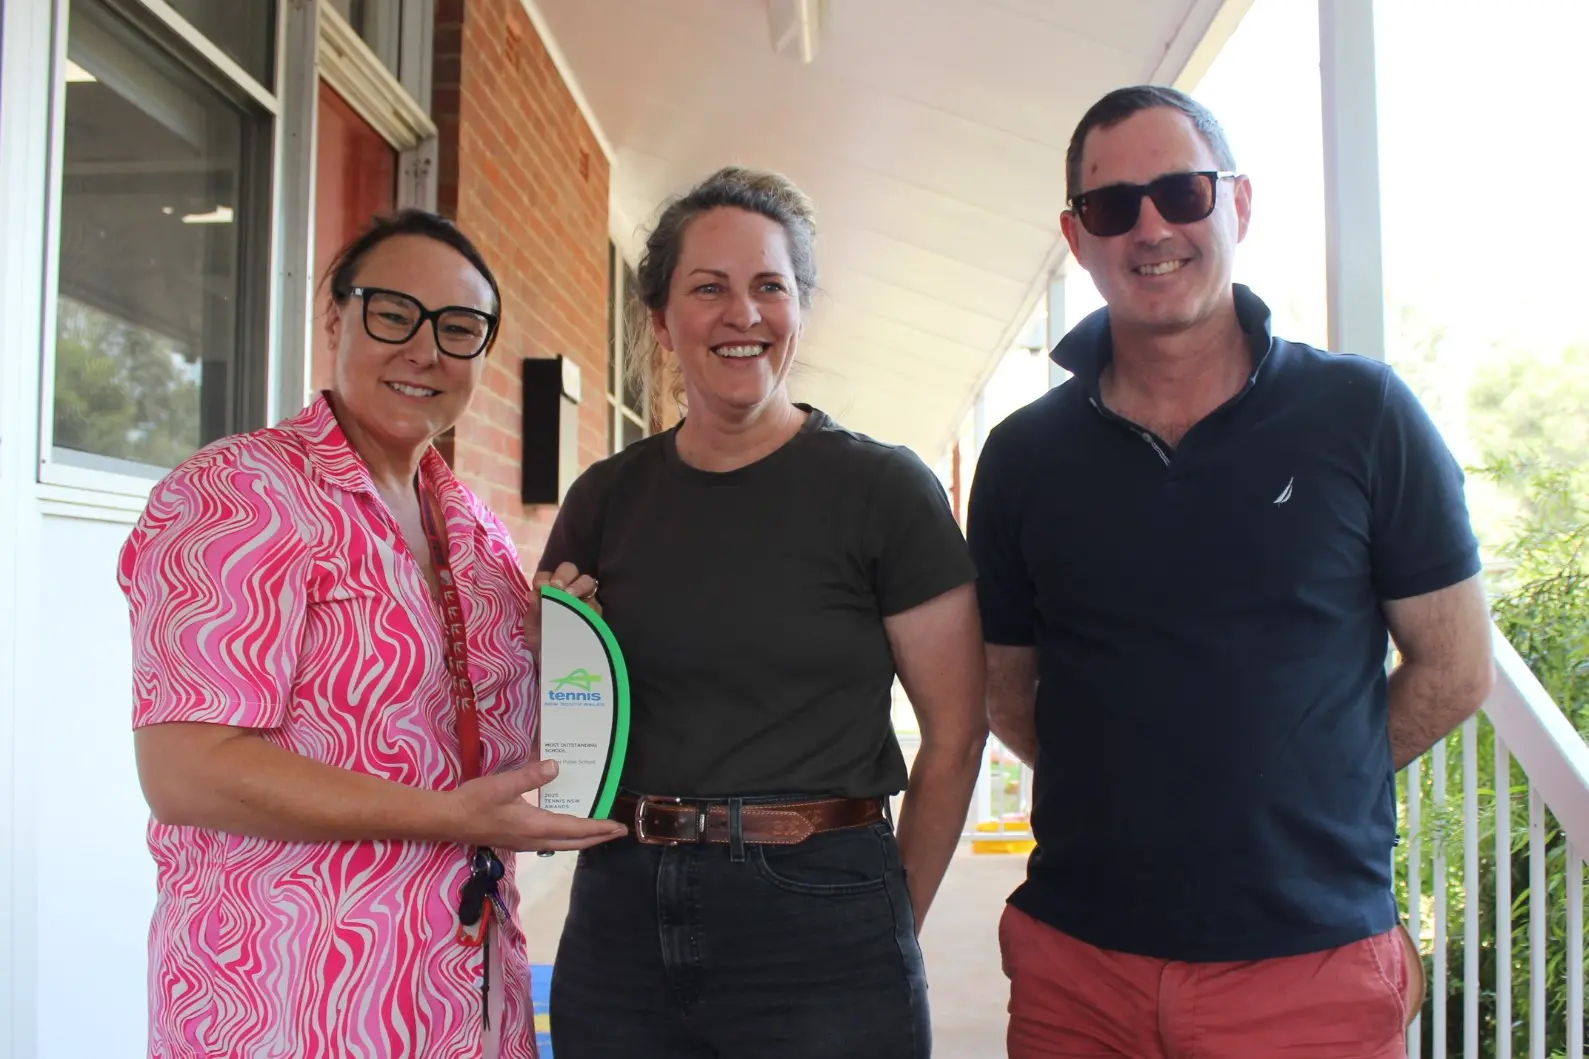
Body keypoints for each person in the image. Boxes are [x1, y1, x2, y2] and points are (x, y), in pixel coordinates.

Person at [967, 86, 1493, 1058]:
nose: (1150, 227)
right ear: (1076, 238)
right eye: (1111, 206)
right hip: (1077, 968)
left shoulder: (1361, 415)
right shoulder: (1021, 455)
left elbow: (1454, 670)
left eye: (1181, 192)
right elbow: (1004, 692)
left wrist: (1298, 777)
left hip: (1308, 969)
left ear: (1237, 205)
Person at [119, 209, 626, 1059]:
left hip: (465, 990)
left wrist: (556, 652)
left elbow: (482, 743)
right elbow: (186, 768)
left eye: (458, 328)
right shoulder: (239, 493)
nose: (424, 349)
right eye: (394, 313)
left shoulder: (471, 524)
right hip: (291, 996)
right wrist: (442, 816)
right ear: (334, 320)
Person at [537, 166, 987, 1059]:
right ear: (661, 320)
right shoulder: (605, 497)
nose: (742, 314)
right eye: (709, 288)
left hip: (822, 910)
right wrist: (545, 644)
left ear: (799, 310)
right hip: (623, 909)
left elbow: (956, 733)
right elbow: (557, 701)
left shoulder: (880, 488)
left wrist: (889, 913)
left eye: (768, 286)